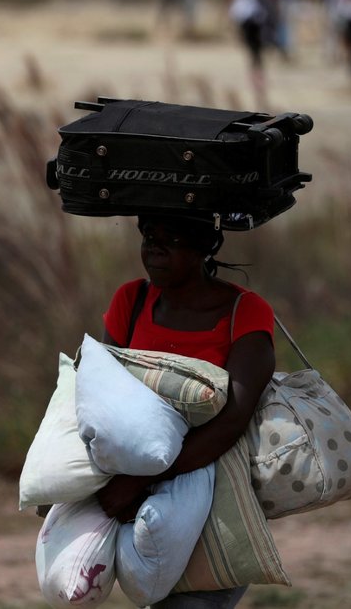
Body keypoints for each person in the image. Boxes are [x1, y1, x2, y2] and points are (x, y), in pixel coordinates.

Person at [97, 213, 276, 608]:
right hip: (133, 492)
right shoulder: (132, 300)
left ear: (203, 248)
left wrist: (143, 480)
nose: (154, 248)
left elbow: (234, 416)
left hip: (216, 493)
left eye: (171, 237)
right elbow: (100, 395)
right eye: (148, 235)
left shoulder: (244, 312)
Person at [229, 0, 284, 109]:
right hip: (249, 18)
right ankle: (257, 80)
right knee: (254, 52)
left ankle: (258, 78)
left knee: (258, 52)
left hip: (260, 17)